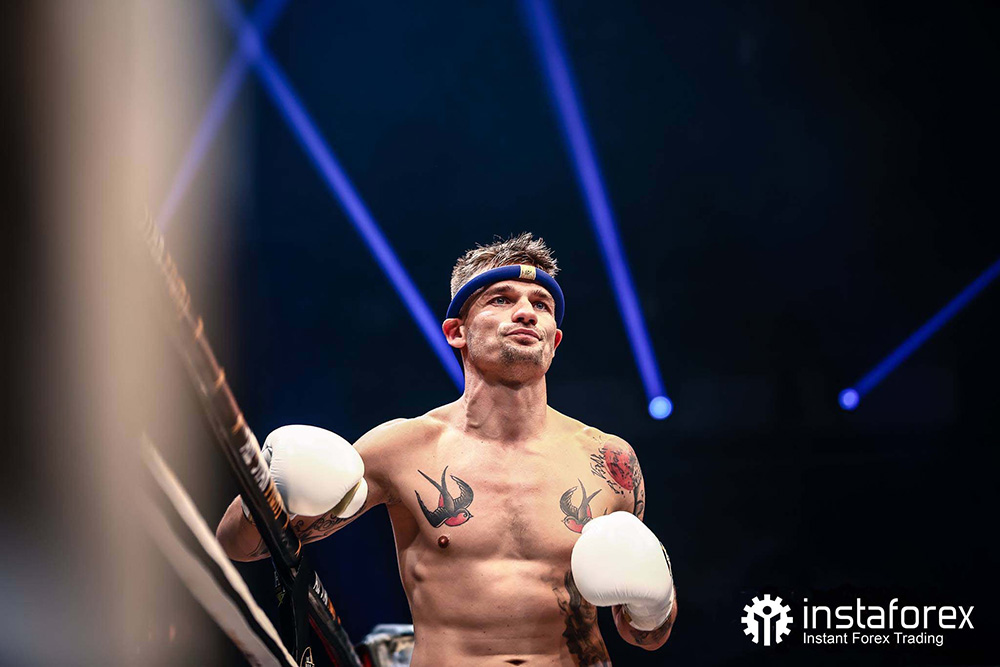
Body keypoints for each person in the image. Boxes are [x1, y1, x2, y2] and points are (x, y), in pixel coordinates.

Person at [217, 233, 676, 666]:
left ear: (554, 341)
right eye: (501, 299)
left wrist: (655, 606)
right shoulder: (403, 448)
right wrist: (274, 485)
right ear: (457, 331)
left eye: (541, 304)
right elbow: (241, 546)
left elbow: (647, 636)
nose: (526, 313)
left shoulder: (608, 460)